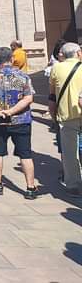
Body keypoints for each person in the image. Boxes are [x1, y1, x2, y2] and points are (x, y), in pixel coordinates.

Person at [0, 47, 38, 199]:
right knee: (25, 154)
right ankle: (30, 187)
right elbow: (28, 98)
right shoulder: (22, 76)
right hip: (21, 120)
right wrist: (11, 111)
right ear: (11, 59)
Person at [49, 42, 82, 197]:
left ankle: (73, 185)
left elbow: (52, 96)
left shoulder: (57, 68)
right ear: (78, 53)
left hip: (67, 114)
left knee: (69, 152)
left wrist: (52, 114)